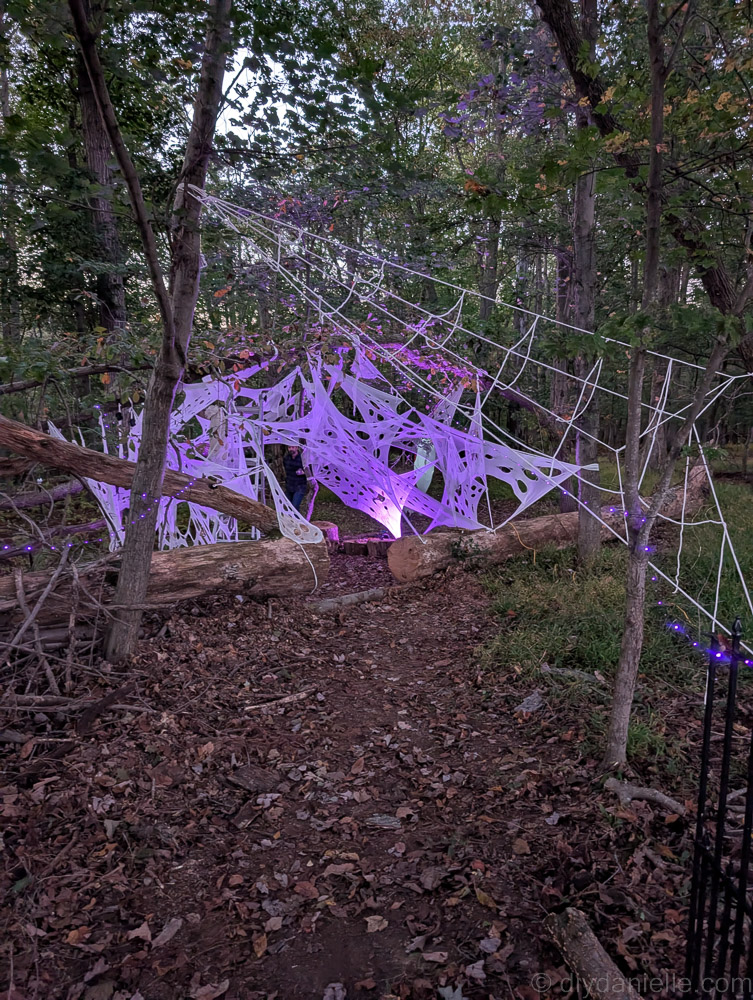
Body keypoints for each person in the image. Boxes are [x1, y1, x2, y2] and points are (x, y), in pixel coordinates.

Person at [283, 444, 308, 512]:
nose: (291, 449)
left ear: (296, 448)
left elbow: (310, 471)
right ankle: (291, 521)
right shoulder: (286, 458)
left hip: (300, 485)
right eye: (289, 447)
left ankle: (298, 521)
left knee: (295, 505)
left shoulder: (303, 458)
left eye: (292, 447)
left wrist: (304, 472)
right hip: (289, 484)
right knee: (289, 506)